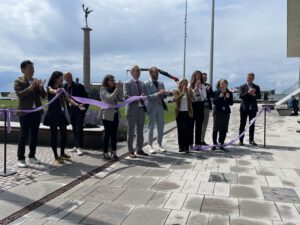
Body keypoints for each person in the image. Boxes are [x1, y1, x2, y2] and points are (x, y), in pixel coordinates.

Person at [43, 71, 85, 163]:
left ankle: (62, 153)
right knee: (54, 135)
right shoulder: (50, 87)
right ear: (56, 78)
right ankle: (56, 156)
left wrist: (77, 105)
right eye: (61, 78)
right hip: (52, 114)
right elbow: (51, 90)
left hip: (61, 114)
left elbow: (68, 99)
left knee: (64, 134)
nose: (63, 80)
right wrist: (56, 91)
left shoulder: (62, 88)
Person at [14, 60, 46, 168]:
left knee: (34, 135)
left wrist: (41, 88)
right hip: (24, 113)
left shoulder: (36, 81)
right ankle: (21, 158)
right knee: (24, 135)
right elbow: (20, 95)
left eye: (33, 68)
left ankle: (32, 156)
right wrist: (30, 88)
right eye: (30, 68)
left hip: (36, 112)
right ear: (23, 70)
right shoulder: (18, 81)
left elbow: (43, 96)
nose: (32, 70)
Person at [124, 65, 148, 158]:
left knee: (140, 131)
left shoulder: (142, 83)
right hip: (131, 110)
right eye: (136, 71)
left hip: (141, 109)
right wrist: (137, 98)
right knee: (131, 131)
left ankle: (139, 149)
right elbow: (126, 96)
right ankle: (130, 151)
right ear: (131, 72)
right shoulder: (127, 83)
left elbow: (145, 95)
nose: (138, 73)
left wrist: (143, 96)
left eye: (139, 71)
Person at [64, 72, 89, 156]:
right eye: (66, 77)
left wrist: (84, 110)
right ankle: (76, 145)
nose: (68, 78)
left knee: (79, 129)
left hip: (79, 111)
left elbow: (86, 99)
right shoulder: (64, 87)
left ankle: (79, 147)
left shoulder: (79, 86)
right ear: (64, 78)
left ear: (72, 77)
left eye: (70, 76)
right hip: (71, 111)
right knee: (74, 128)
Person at [99, 75, 124, 160]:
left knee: (114, 134)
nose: (113, 82)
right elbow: (109, 98)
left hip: (115, 114)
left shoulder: (114, 89)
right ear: (106, 81)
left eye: (113, 80)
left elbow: (120, 98)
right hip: (107, 115)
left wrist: (120, 88)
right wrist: (117, 89)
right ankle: (105, 152)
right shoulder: (103, 90)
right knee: (107, 134)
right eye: (111, 80)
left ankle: (114, 151)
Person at [144, 67, 167, 154]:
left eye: (157, 73)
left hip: (160, 106)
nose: (157, 74)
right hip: (151, 107)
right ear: (150, 73)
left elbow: (163, 96)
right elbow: (148, 97)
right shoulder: (146, 83)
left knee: (161, 126)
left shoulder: (161, 83)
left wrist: (164, 94)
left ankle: (159, 144)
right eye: (155, 73)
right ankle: (150, 145)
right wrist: (158, 93)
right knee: (151, 126)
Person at [239, 73, 261, 146]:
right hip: (244, 109)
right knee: (242, 124)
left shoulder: (256, 87)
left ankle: (251, 140)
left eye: (251, 78)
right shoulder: (242, 86)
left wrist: (254, 95)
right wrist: (248, 93)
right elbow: (241, 96)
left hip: (253, 109)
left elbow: (259, 96)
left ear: (253, 79)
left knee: (252, 125)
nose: (249, 79)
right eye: (248, 78)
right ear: (246, 78)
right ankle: (241, 140)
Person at [174, 79, 195, 153]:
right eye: (183, 83)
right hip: (179, 113)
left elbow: (193, 100)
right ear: (180, 84)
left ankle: (186, 147)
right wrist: (182, 93)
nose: (185, 84)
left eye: (186, 83)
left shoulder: (189, 91)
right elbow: (176, 99)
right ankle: (181, 146)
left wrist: (188, 93)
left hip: (188, 113)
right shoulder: (176, 91)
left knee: (187, 130)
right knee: (180, 130)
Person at [212, 79, 233, 151]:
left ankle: (221, 144)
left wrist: (228, 98)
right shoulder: (216, 92)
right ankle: (214, 144)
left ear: (227, 85)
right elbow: (215, 102)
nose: (223, 85)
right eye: (221, 84)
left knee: (223, 129)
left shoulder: (229, 92)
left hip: (226, 113)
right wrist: (220, 97)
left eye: (224, 84)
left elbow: (231, 103)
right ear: (219, 85)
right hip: (217, 112)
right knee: (215, 129)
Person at [190, 71, 206, 148]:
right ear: (194, 76)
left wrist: (200, 89)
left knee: (199, 126)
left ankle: (197, 143)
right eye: (197, 75)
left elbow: (204, 97)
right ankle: (190, 143)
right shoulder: (190, 85)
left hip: (200, 105)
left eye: (200, 76)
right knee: (191, 125)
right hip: (193, 105)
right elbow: (190, 96)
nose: (199, 77)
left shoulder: (203, 86)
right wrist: (195, 88)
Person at [201, 72, 214, 145]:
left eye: (206, 77)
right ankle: (197, 140)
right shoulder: (198, 84)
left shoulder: (208, 85)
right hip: (199, 107)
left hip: (206, 107)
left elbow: (212, 95)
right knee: (198, 124)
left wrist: (209, 90)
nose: (205, 78)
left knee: (205, 124)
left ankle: (202, 140)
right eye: (203, 77)